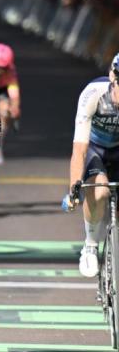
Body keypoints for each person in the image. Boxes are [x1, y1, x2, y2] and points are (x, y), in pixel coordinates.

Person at [65, 53, 119, 278]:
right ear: (112, 76)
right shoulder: (93, 94)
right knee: (100, 189)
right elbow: (80, 149)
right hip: (95, 147)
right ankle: (89, 245)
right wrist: (74, 187)